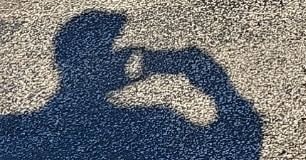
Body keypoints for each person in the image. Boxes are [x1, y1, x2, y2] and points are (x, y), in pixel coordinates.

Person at [0, 11, 262, 160]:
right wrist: (217, 85)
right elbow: (245, 136)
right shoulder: (159, 118)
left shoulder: (15, 130)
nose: (120, 54)